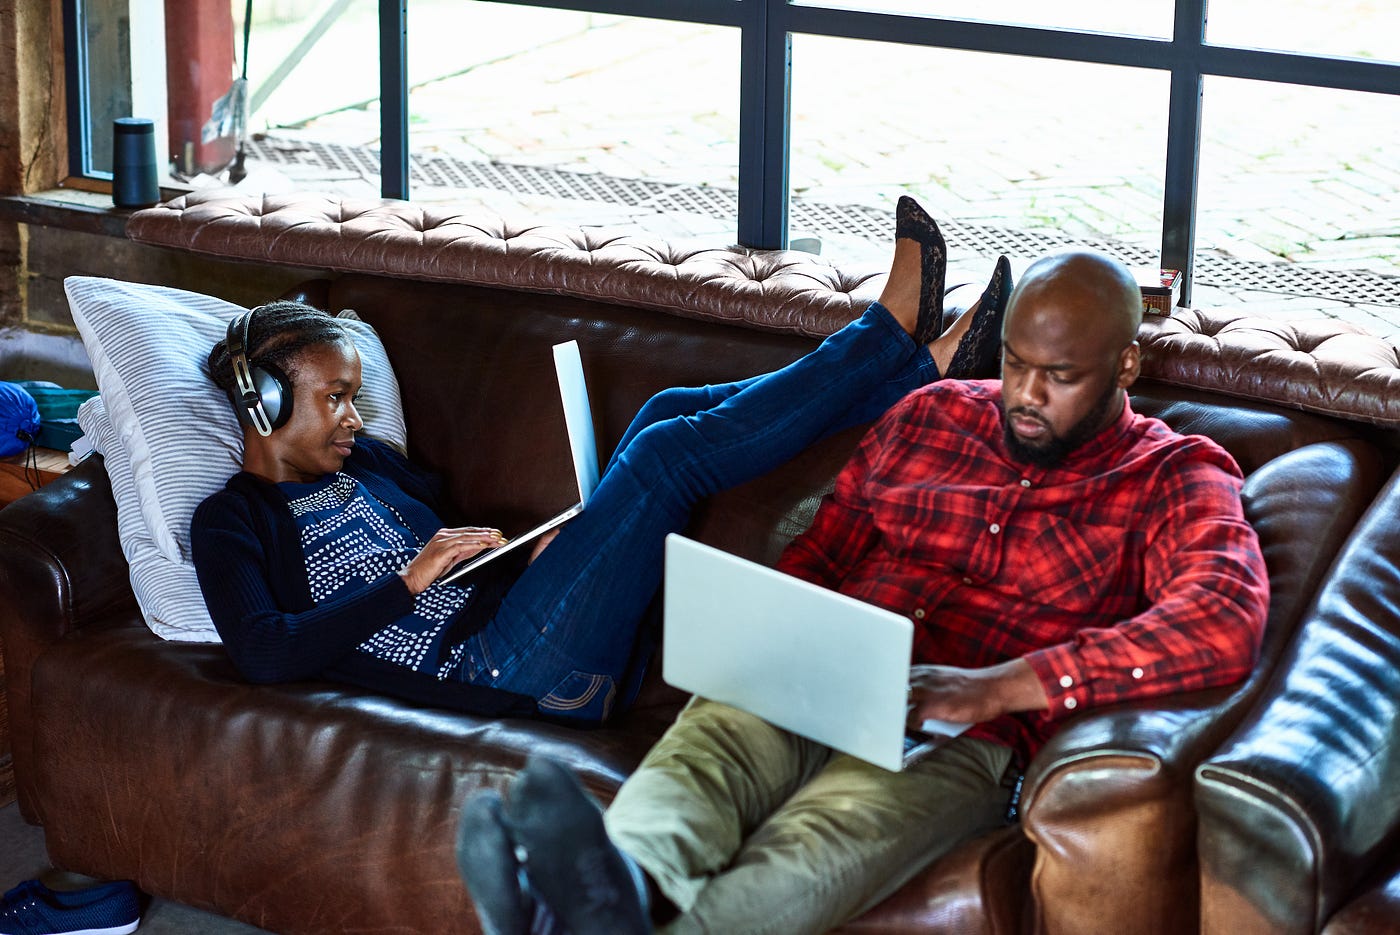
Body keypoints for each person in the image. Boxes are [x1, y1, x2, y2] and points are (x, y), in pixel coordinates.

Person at [454, 249, 1271, 935]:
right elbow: (826, 548)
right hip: (816, 671)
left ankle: (568, 917)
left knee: (820, 840)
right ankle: (619, 885)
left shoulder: (1173, 475)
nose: (1023, 394)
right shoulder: (933, 415)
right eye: (1016, 364)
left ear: (1126, 363)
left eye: (1058, 376)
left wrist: (1002, 688)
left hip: (959, 736)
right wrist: (769, 632)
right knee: (700, 765)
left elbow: (1224, 618)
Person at [191, 197, 1009, 726]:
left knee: (664, 413)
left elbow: (456, 562)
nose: (351, 417)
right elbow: (264, 650)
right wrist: (407, 580)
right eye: (333, 397)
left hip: (521, 622)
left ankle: (908, 368)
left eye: (352, 397)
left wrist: (524, 556)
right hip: (508, 674)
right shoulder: (231, 520)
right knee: (661, 455)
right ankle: (894, 352)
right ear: (263, 401)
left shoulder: (366, 465)